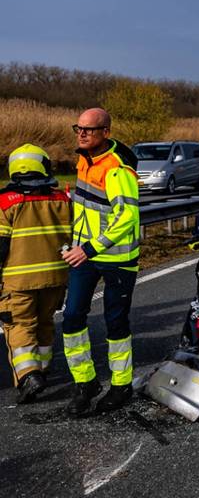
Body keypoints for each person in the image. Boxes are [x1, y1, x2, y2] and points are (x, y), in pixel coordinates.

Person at [61, 108, 140, 416]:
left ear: (106, 132)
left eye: (89, 130)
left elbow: (126, 217)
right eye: (78, 128)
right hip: (85, 255)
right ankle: (86, 383)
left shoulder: (118, 169)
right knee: (71, 319)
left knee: (116, 322)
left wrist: (89, 248)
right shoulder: (84, 159)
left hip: (116, 259)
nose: (81, 134)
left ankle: (121, 386)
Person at [0, 144, 72, 403]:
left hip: (18, 281)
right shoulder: (63, 199)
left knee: (19, 326)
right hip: (55, 279)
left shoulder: (5, 202)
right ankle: (42, 369)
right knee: (44, 323)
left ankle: (29, 375)